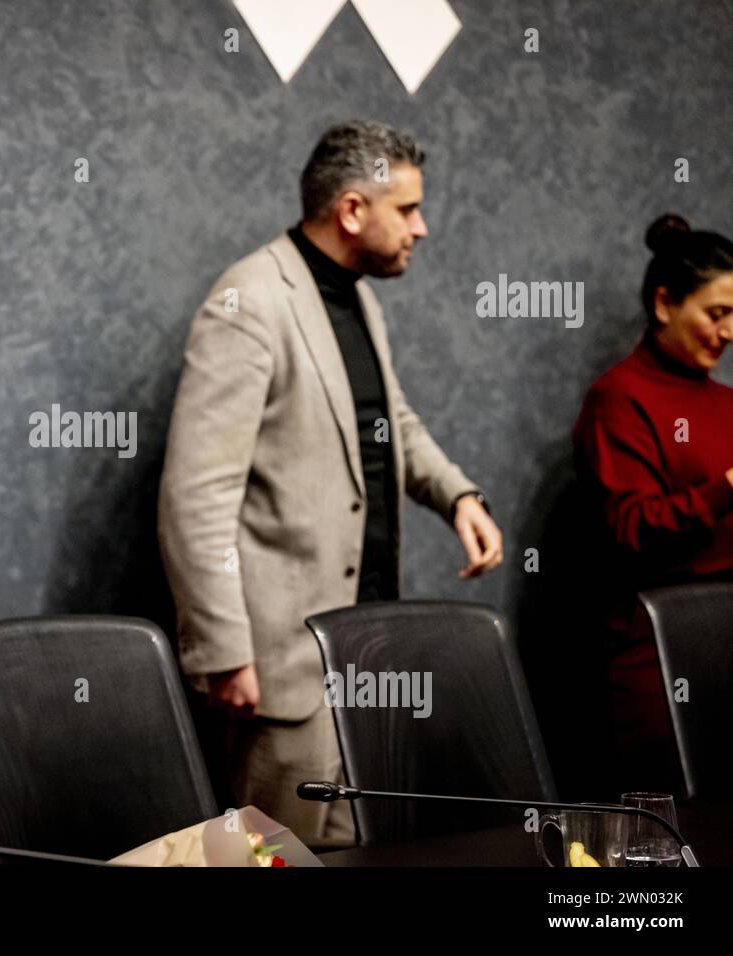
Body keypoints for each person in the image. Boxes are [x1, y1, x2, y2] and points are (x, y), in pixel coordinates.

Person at [158, 120, 503, 846]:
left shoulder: (356, 297)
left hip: (367, 653)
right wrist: (225, 653)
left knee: (361, 852)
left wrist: (459, 496)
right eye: (407, 209)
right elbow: (196, 494)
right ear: (352, 210)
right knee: (276, 859)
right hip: (281, 671)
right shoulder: (249, 300)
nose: (424, 227)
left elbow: (389, 422)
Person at [572, 213, 733, 793]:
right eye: (717, 314)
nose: (730, 331)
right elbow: (632, 528)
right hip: (659, 658)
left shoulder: (726, 403)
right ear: (665, 304)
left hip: (725, 644)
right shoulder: (619, 399)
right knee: (672, 835)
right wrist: (727, 487)